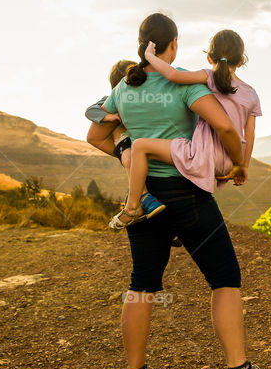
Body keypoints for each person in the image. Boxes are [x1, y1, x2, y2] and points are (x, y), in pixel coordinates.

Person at [90, 11, 271, 369]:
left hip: (147, 198)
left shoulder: (125, 88)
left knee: (142, 282)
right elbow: (226, 127)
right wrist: (239, 164)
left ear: (142, 44)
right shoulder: (184, 84)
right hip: (188, 193)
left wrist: (128, 158)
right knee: (224, 277)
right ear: (173, 44)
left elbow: (95, 135)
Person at [110, 29, 259, 228]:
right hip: (229, 163)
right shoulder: (252, 94)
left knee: (139, 147)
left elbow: (172, 74)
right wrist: (242, 166)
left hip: (203, 157)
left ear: (209, 58)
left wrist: (148, 56)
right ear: (241, 61)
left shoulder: (207, 77)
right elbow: (250, 134)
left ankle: (134, 206)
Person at [85, 60, 166, 228]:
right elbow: (90, 111)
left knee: (132, 162)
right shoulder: (110, 99)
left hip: (141, 145)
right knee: (129, 160)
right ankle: (144, 198)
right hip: (125, 143)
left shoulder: (144, 97)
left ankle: (166, 227)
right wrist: (108, 117)